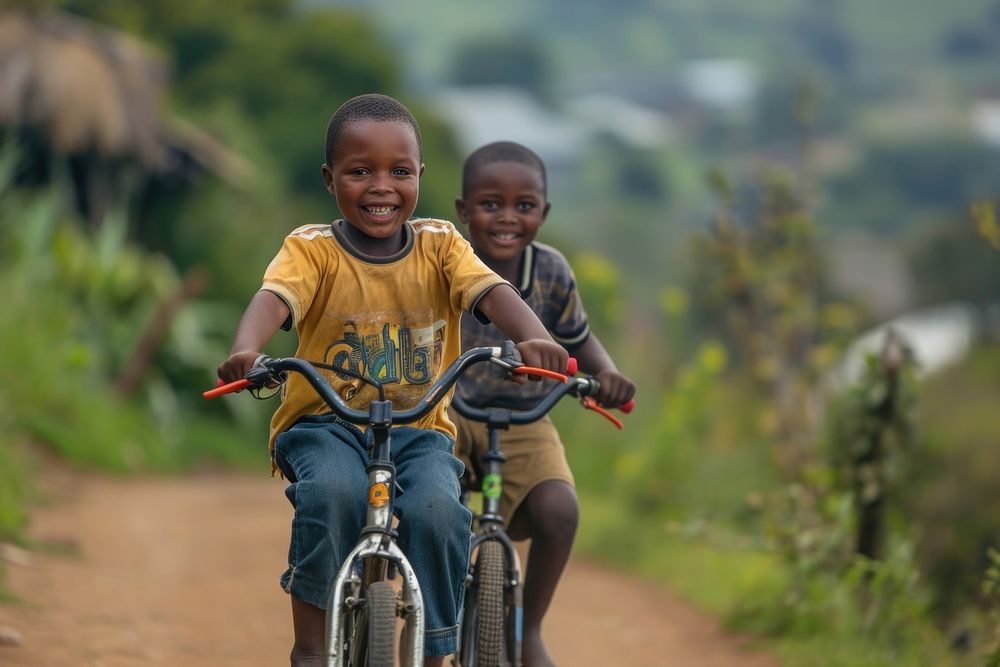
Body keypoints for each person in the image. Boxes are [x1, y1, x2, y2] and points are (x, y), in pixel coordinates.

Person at [216, 96, 568, 667]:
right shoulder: (312, 250)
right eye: (360, 172)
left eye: (399, 172)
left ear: (420, 177)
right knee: (332, 496)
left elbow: (490, 291)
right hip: (324, 424)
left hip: (418, 426)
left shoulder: (442, 246)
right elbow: (275, 298)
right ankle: (310, 646)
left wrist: (532, 335)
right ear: (331, 180)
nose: (382, 186)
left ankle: (434, 653)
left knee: (440, 512)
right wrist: (247, 350)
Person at [451, 141, 636, 667]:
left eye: (524, 206)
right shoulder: (445, 260)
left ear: (544, 212)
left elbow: (578, 337)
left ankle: (527, 630)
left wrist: (607, 374)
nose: (508, 218)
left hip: (524, 416)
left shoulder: (551, 271)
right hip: (447, 409)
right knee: (433, 510)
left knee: (559, 509)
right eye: (490, 204)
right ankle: (432, 626)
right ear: (464, 211)